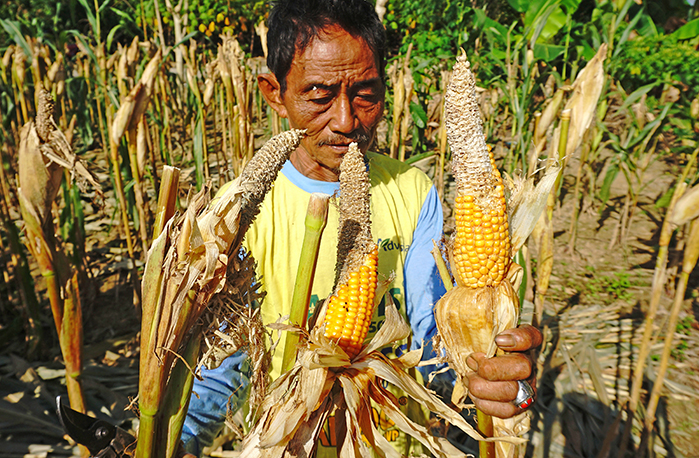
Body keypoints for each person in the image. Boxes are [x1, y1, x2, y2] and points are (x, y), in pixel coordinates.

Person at [181, 0, 542, 456]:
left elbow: (434, 334)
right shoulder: (239, 209)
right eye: (318, 95)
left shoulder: (413, 192)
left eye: (366, 94)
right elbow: (223, 364)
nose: (347, 121)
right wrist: (178, 440)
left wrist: (490, 375)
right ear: (275, 93)